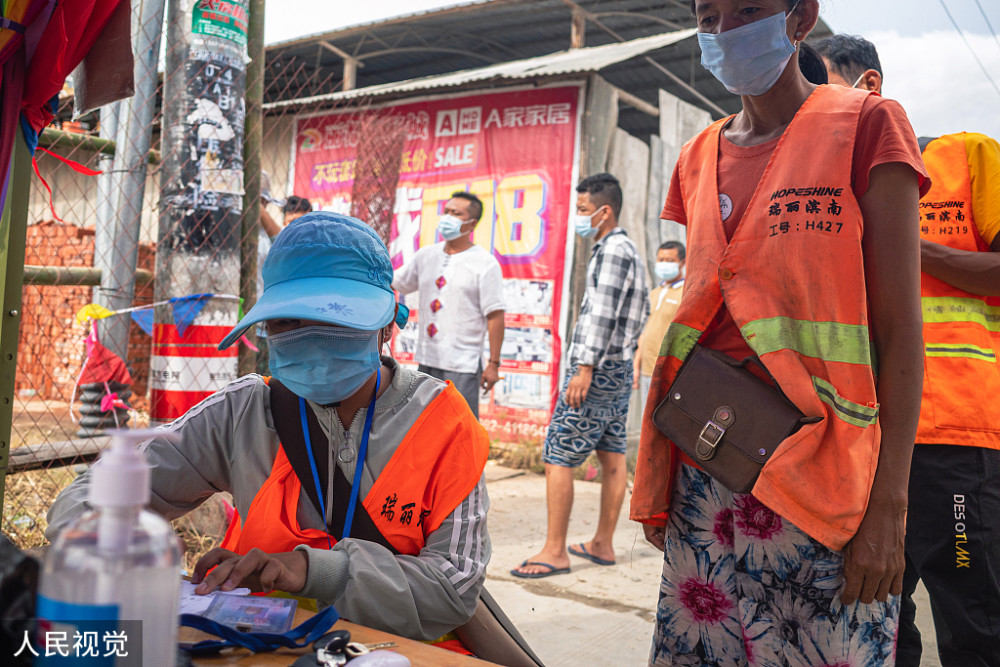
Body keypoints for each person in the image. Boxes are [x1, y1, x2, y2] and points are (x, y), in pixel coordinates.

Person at [632, 2, 930, 665]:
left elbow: (901, 333)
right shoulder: (697, 155)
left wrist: (891, 504)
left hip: (825, 480)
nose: (725, 29)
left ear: (801, 18)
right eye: (709, 15)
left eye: (748, 9)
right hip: (707, 467)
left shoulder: (867, 124)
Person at [46, 212, 491, 646]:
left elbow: (452, 588)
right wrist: (101, 550)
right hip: (252, 648)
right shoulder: (243, 411)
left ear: (388, 323)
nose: (309, 337)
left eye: (334, 319)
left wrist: (309, 570)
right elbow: (89, 494)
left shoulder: (446, 425)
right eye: (286, 322)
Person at [820, 34, 1000, 667]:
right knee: (879, 620)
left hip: (954, 437)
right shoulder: (826, 190)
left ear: (868, 84)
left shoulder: (967, 157)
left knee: (972, 618)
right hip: (860, 439)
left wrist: (901, 239)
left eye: (827, 90)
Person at [512, 173, 649, 578]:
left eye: (584, 210)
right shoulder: (629, 249)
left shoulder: (611, 251)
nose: (578, 217)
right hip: (618, 369)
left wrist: (584, 366)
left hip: (597, 369)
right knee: (611, 454)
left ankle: (555, 551)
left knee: (557, 455)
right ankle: (602, 544)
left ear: (604, 212)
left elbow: (602, 314)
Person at [392, 191, 505, 419]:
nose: (448, 217)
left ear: (471, 223)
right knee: (424, 424)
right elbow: (397, 281)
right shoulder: (426, 255)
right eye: (447, 211)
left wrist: (493, 363)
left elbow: (495, 316)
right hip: (428, 360)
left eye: (456, 213)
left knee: (459, 426)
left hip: (462, 363)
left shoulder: (485, 263)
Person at [256, 192, 313, 375]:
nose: (296, 229)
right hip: (265, 330)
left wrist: (258, 206)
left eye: (301, 222)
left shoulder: (315, 250)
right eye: (290, 222)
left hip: (301, 333)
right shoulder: (272, 246)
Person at [634, 241, 685, 415]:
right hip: (647, 369)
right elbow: (644, 331)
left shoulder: (685, 293)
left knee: (664, 418)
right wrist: (636, 365)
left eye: (670, 260)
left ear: (682, 262)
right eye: (661, 259)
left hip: (669, 372)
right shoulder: (654, 293)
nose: (664, 264)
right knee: (646, 418)